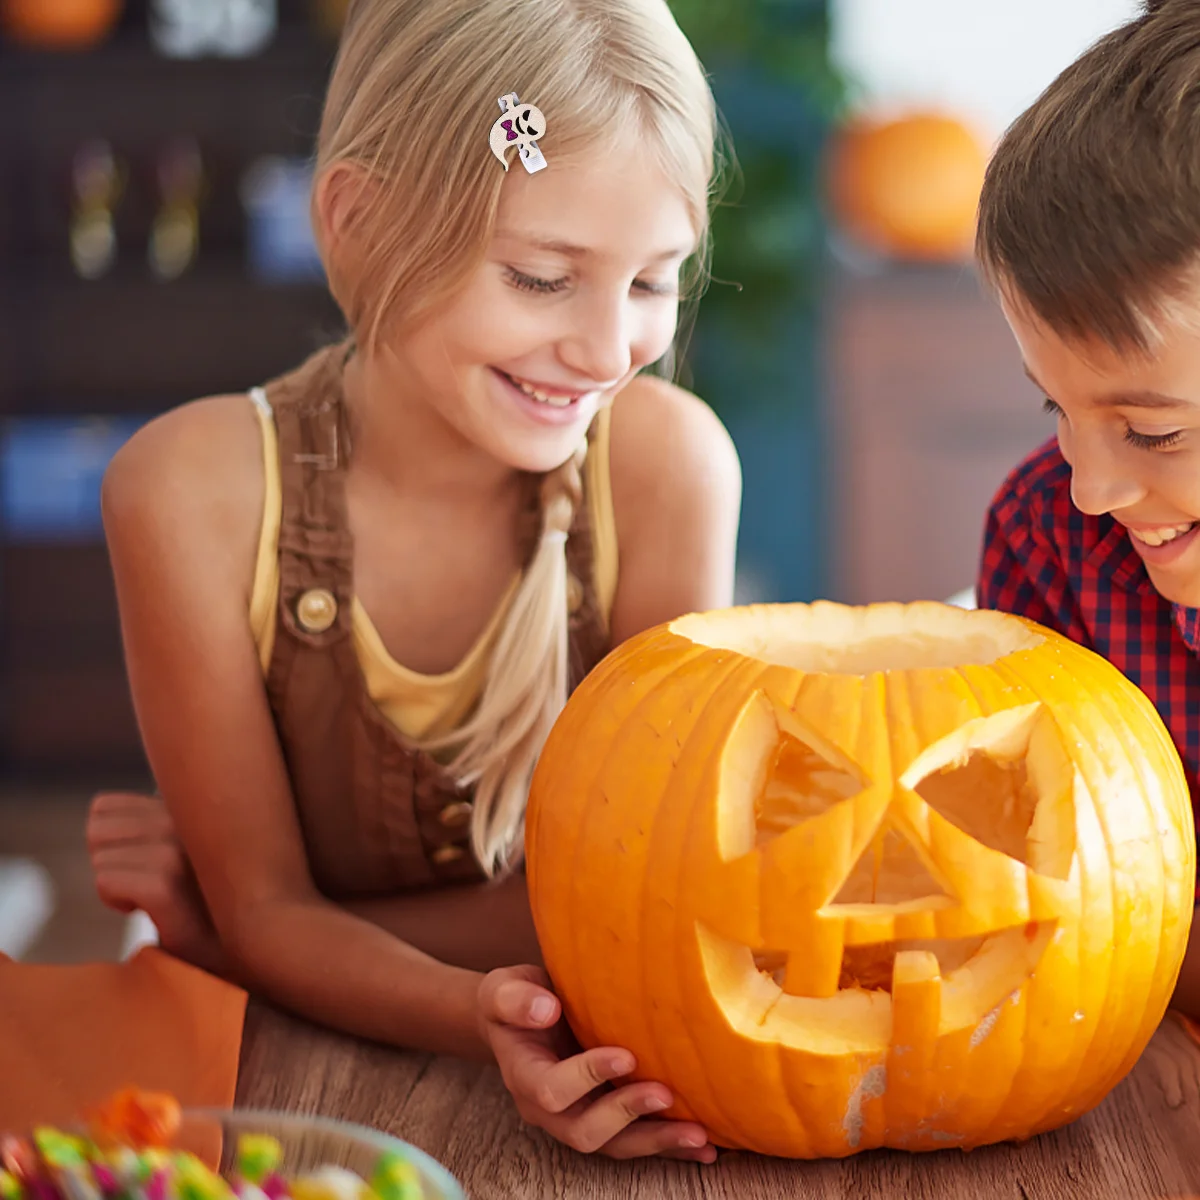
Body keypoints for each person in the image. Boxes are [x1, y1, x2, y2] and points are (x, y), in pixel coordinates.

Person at [86, 0, 741, 1161]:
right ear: (359, 222)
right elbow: (277, 918)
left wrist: (241, 933)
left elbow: (654, 902)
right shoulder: (189, 492)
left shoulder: (668, 468)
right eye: (543, 278)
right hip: (284, 1102)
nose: (606, 350)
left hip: (587, 1077)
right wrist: (452, 999)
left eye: (653, 283)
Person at [974, 0, 1200, 1014]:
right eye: (1055, 406)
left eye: (1154, 433)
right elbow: (1034, 886)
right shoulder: (1046, 537)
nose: (1093, 489)